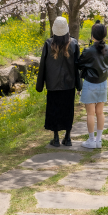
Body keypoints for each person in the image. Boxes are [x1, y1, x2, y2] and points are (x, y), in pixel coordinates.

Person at [36, 16, 81, 147]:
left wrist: (40, 85)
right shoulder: (73, 43)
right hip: (69, 83)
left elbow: (42, 65)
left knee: (54, 109)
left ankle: (55, 138)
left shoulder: (48, 43)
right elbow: (77, 66)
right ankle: (68, 137)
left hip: (52, 83)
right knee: (68, 109)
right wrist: (79, 85)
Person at [78, 23, 108, 148]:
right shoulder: (107, 48)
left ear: (93, 35)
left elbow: (79, 64)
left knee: (90, 114)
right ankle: (99, 140)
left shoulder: (89, 51)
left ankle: (91, 141)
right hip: (103, 83)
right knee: (100, 113)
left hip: (91, 83)